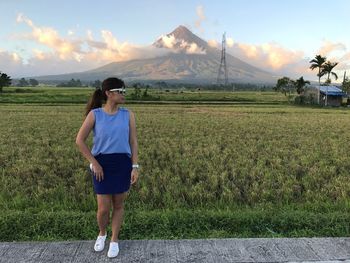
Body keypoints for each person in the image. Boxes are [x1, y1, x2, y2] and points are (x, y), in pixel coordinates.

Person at [75, 77, 139, 258]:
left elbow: (133, 142)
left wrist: (134, 166)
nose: (123, 94)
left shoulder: (128, 115)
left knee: (118, 204)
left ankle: (114, 240)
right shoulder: (95, 114)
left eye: (124, 91)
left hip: (122, 164)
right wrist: (94, 163)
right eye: (120, 91)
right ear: (108, 94)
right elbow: (79, 141)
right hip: (101, 165)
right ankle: (102, 233)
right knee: (103, 208)